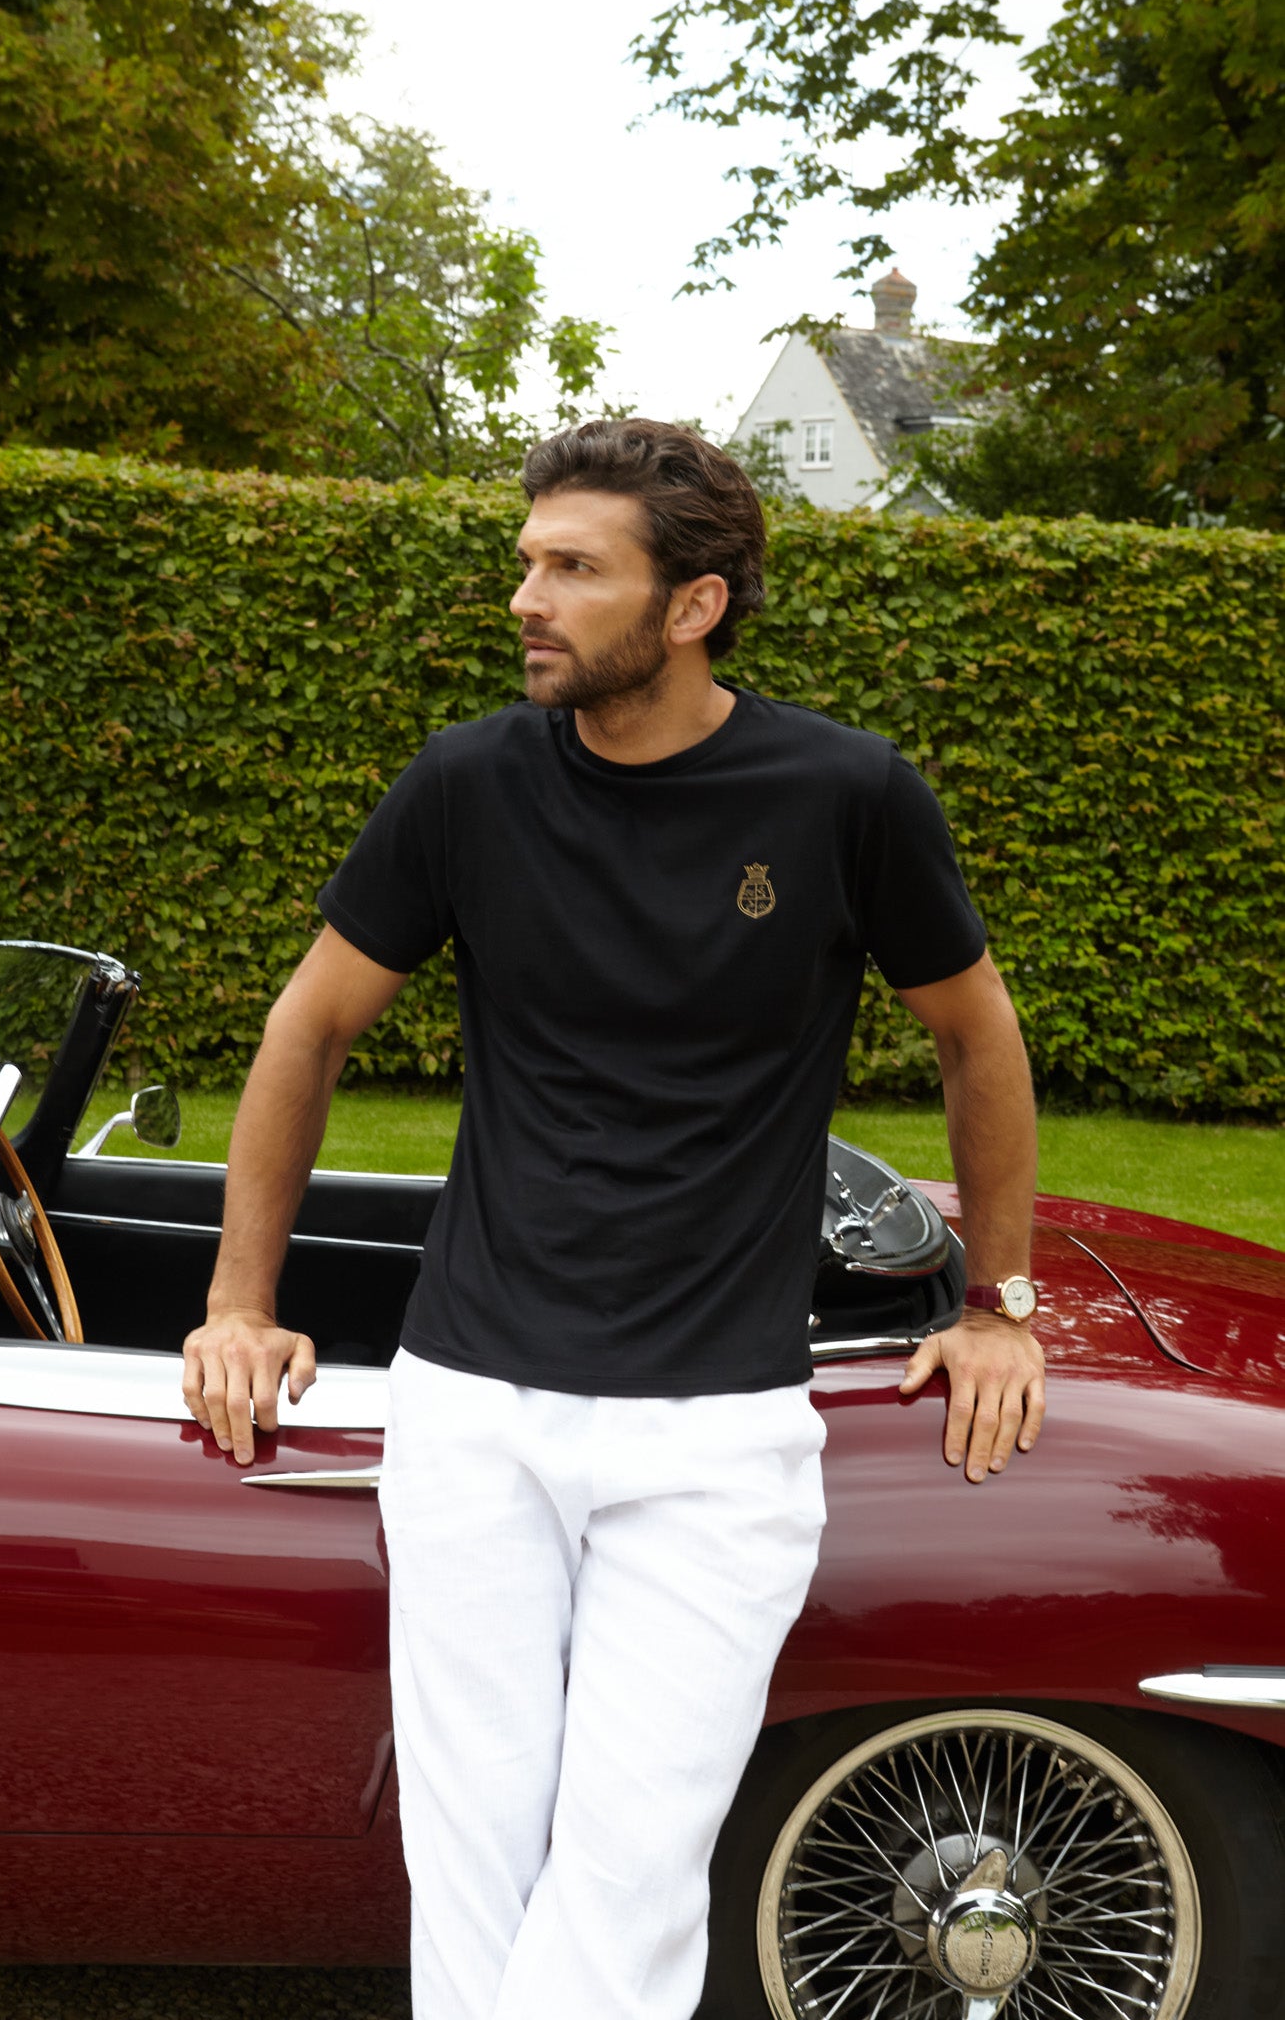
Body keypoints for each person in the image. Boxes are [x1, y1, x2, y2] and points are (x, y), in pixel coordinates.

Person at [182, 418, 1045, 2020]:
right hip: (474, 1405)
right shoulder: (466, 781)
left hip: (717, 1430)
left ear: (694, 603)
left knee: (634, 1867)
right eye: (528, 559)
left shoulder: (843, 791)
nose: (527, 595)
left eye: (573, 569)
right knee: (476, 1860)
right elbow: (309, 1029)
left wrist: (998, 1301)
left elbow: (973, 1033)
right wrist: (240, 1300)